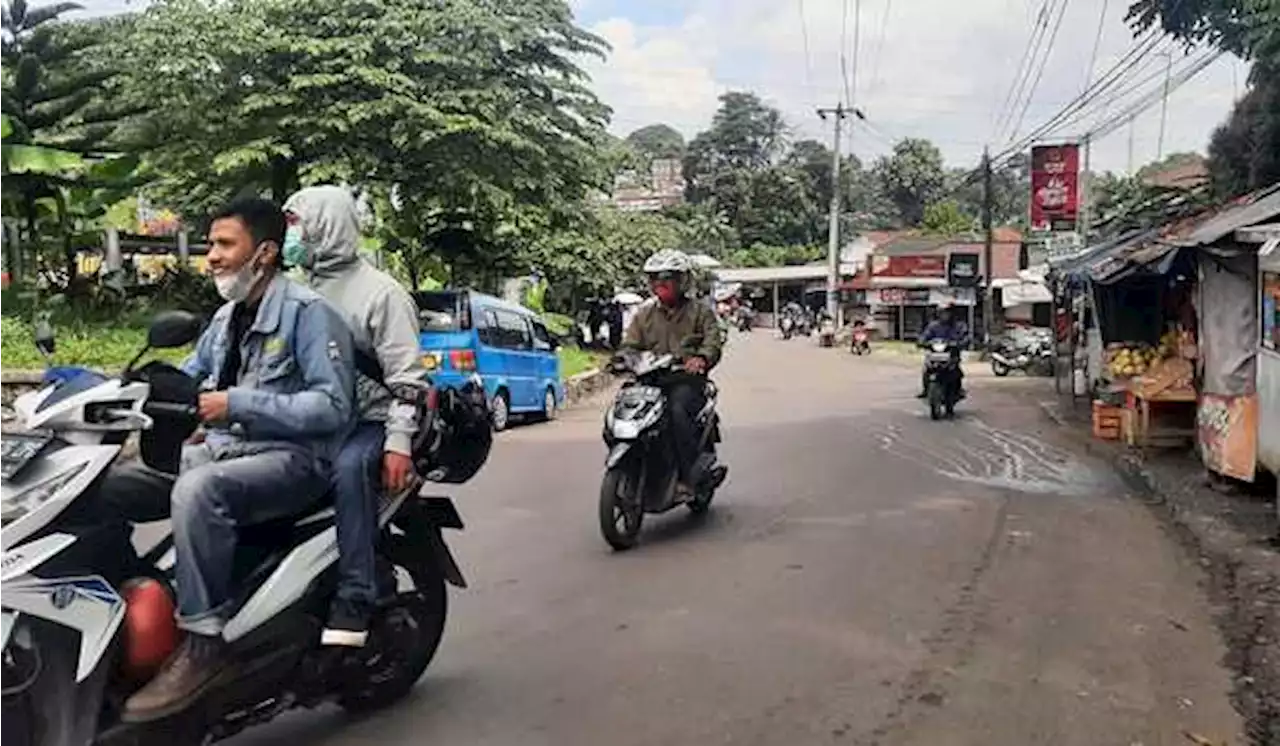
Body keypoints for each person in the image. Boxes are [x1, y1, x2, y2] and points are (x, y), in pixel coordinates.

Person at [124, 198, 355, 722]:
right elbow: (190, 374)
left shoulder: (308, 314)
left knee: (197, 491)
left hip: (294, 461)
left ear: (266, 253)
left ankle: (204, 644)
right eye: (211, 244)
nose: (211, 256)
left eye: (225, 244)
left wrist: (238, 404)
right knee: (118, 485)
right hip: (224, 454)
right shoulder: (227, 317)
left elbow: (333, 405)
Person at [283, 185, 428, 647]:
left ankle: (356, 594)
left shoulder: (382, 294)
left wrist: (398, 443)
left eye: (296, 224)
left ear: (326, 225)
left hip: (371, 420)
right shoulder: (295, 289)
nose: (290, 235)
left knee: (348, 471)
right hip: (312, 417)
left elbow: (407, 378)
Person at [622, 249, 723, 493]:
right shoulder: (643, 314)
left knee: (677, 412)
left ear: (682, 281)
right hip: (650, 381)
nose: (661, 283)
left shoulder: (700, 312)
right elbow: (630, 345)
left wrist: (700, 358)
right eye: (655, 278)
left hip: (685, 382)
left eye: (667, 277)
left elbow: (712, 342)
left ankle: (690, 476)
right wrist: (623, 359)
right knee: (622, 410)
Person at [916, 305, 968, 398]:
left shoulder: (959, 326)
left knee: (955, 370)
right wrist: (921, 342)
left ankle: (957, 390)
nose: (945, 315)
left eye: (947, 313)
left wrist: (960, 343)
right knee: (926, 368)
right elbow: (925, 336)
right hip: (935, 355)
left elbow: (965, 337)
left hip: (951, 354)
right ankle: (925, 389)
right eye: (942, 313)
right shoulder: (933, 326)